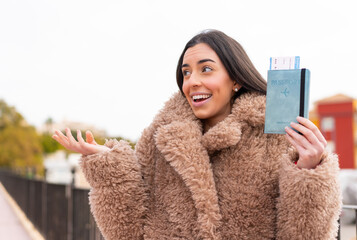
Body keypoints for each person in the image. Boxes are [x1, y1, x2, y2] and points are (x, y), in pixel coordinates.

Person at [52, 30, 341, 239]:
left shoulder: (276, 136)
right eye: (186, 73)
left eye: (206, 69)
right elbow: (127, 230)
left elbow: (304, 233)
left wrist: (308, 172)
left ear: (236, 80)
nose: (193, 81)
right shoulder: (161, 137)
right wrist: (109, 166)